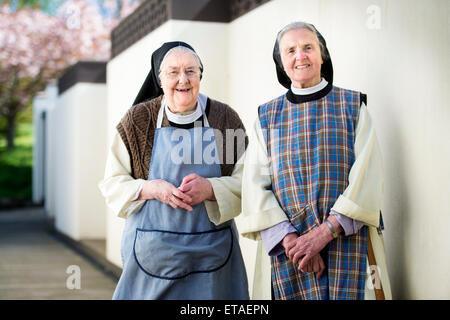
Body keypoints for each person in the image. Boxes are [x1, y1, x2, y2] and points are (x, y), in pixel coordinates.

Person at [239, 22, 392, 300]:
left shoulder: (353, 106)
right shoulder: (266, 117)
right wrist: (293, 242)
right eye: (291, 51)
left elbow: (368, 176)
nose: (301, 56)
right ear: (281, 63)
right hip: (290, 253)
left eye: (308, 47)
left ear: (322, 55)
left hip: (350, 242)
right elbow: (254, 187)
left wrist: (324, 234)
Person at [99, 41, 249, 300]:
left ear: (200, 75)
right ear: (159, 79)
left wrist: (211, 188)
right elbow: (112, 183)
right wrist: (150, 188)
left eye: (191, 71)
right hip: (153, 255)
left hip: (211, 255)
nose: (183, 79)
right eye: (173, 72)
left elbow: (249, 182)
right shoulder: (137, 121)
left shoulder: (225, 120)